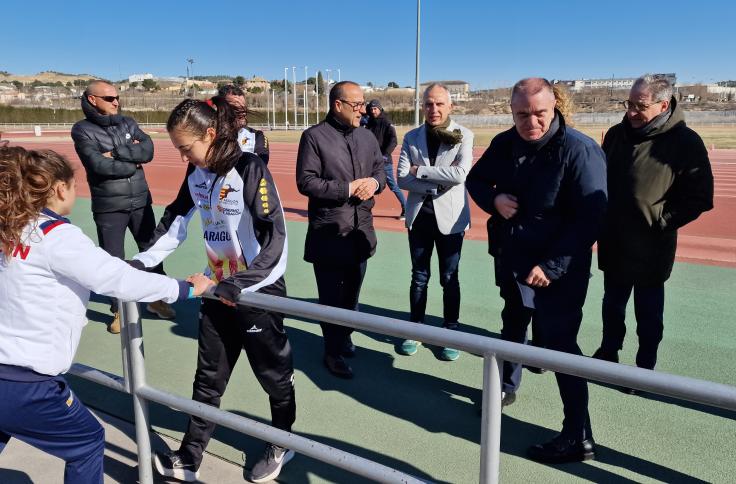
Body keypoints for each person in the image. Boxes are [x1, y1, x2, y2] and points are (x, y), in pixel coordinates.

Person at [0, 146, 212, 484]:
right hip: (27, 382)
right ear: (59, 189)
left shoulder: (11, 228)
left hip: (8, 372)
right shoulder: (58, 237)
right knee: (86, 441)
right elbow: (119, 279)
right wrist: (185, 289)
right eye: (73, 185)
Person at [131, 97, 295, 483]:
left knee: (273, 377)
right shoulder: (196, 174)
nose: (182, 155)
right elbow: (174, 223)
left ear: (209, 133)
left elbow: (276, 238)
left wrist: (237, 283)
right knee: (208, 378)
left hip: (258, 292)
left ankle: (283, 441)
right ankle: (189, 456)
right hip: (216, 290)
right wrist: (140, 263)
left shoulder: (249, 168)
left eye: (186, 147)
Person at [466, 78, 607, 463]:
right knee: (512, 324)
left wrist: (553, 265)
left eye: (539, 113)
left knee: (562, 349)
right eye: (522, 114)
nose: (531, 122)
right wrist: (493, 198)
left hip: (559, 269)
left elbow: (590, 219)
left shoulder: (580, 150)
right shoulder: (505, 143)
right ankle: (506, 387)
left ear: (554, 107)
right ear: (512, 112)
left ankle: (577, 436)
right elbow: (476, 180)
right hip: (513, 258)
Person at [593, 74, 714, 379]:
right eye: (629, 103)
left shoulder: (685, 142)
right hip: (615, 241)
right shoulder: (616, 135)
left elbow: (700, 196)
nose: (632, 111)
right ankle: (608, 352)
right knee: (612, 306)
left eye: (640, 105)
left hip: (652, 246)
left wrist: (661, 220)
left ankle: (645, 366)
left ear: (663, 105)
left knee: (648, 313)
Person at [296, 81, 386, 379]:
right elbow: (306, 182)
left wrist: (373, 184)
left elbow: (379, 172)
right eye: (357, 105)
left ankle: (343, 337)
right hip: (329, 234)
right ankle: (331, 352)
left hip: (360, 233)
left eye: (362, 104)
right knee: (331, 299)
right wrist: (347, 188)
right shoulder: (314, 137)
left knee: (351, 296)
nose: (363, 109)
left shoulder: (367, 137)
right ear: (338, 105)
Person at [71, 80, 176, 334]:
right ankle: (118, 309)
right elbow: (98, 165)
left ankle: (155, 299)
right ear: (93, 100)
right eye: (109, 98)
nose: (116, 102)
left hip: (141, 200)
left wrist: (115, 153)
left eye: (117, 97)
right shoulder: (81, 130)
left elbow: (148, 150)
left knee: (151, 251)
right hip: (109, 206)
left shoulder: (128, 122)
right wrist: (131, 160)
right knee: (112, 260)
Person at [396, 84, 474, 361]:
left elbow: (460, 173)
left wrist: (422, 172)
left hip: (451, 220)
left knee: (449, 278)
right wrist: (432, 186)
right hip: (419, 217)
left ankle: (450, 331)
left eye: (439, 104)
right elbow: (402, 178)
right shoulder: (411, 136)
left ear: (450, 106)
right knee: (419, 277)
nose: (434, 109)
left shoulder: (464, 135)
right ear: (423, 106)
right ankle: (416, 327)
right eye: (429, 104)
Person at [365, 99, 406, 219]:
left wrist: (384, 155)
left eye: (375, 109)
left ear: (380, 108)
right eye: (371, 109)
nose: (373, 111)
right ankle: (365, 210)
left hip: (384, 161)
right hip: (370, 160)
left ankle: (406, 208)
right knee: (368, 184)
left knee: (392, 185)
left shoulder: (386, 122)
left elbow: (393, 141)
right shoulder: (370, 121)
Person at [218, 84, 270, 164]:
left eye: (243, 107)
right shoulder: (206, 137)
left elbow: (259, 169)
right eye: (236, 108)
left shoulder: (257, 137)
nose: (242, 112)